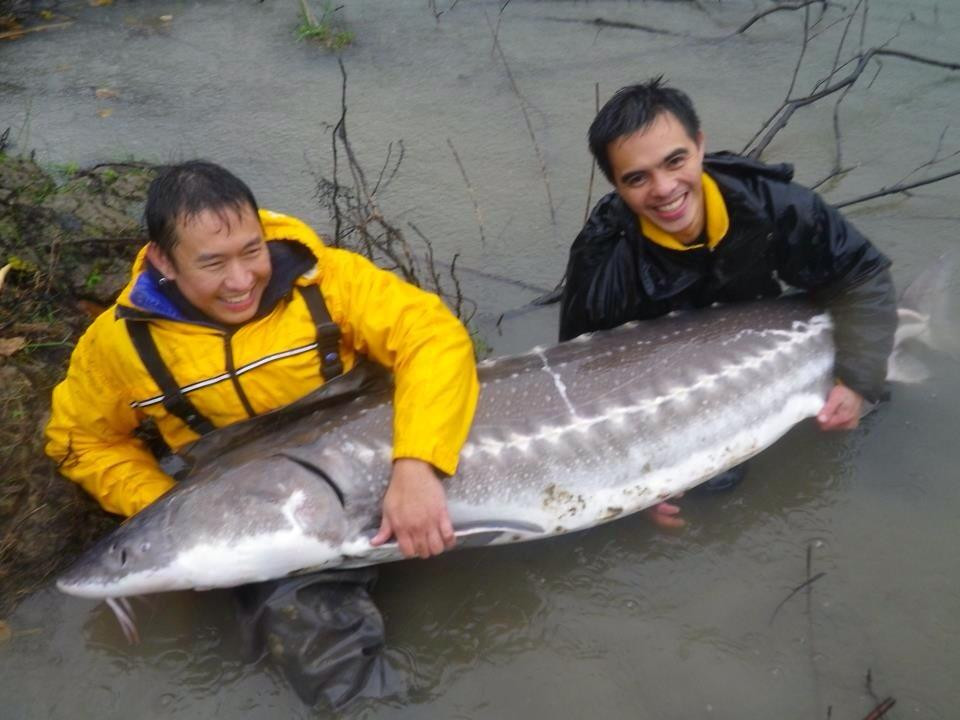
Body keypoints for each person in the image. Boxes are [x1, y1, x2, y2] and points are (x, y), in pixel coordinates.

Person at [45, 160, 479, 706]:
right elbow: (79, 440)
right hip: (262, 503)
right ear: (163, 261)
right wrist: (174, 513)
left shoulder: (325, 280)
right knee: (325, 667)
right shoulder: (120, 345)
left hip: (383, 456)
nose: (240, 280)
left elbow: (432, 337)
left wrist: (416, 466)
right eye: (212, 263)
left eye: (251, 251)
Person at [560, 78, 897, 527]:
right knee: (713, 487)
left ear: (699, 145)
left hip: (766, 331)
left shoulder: (772, 203)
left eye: (675, 161)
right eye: (637, 178)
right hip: (670, 375)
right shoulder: (603, 263)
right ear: (616, 185)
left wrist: (855, 383)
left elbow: (862, 276)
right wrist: (630, 485)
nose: (663, 188)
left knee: (875, 394)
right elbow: (580, 386)